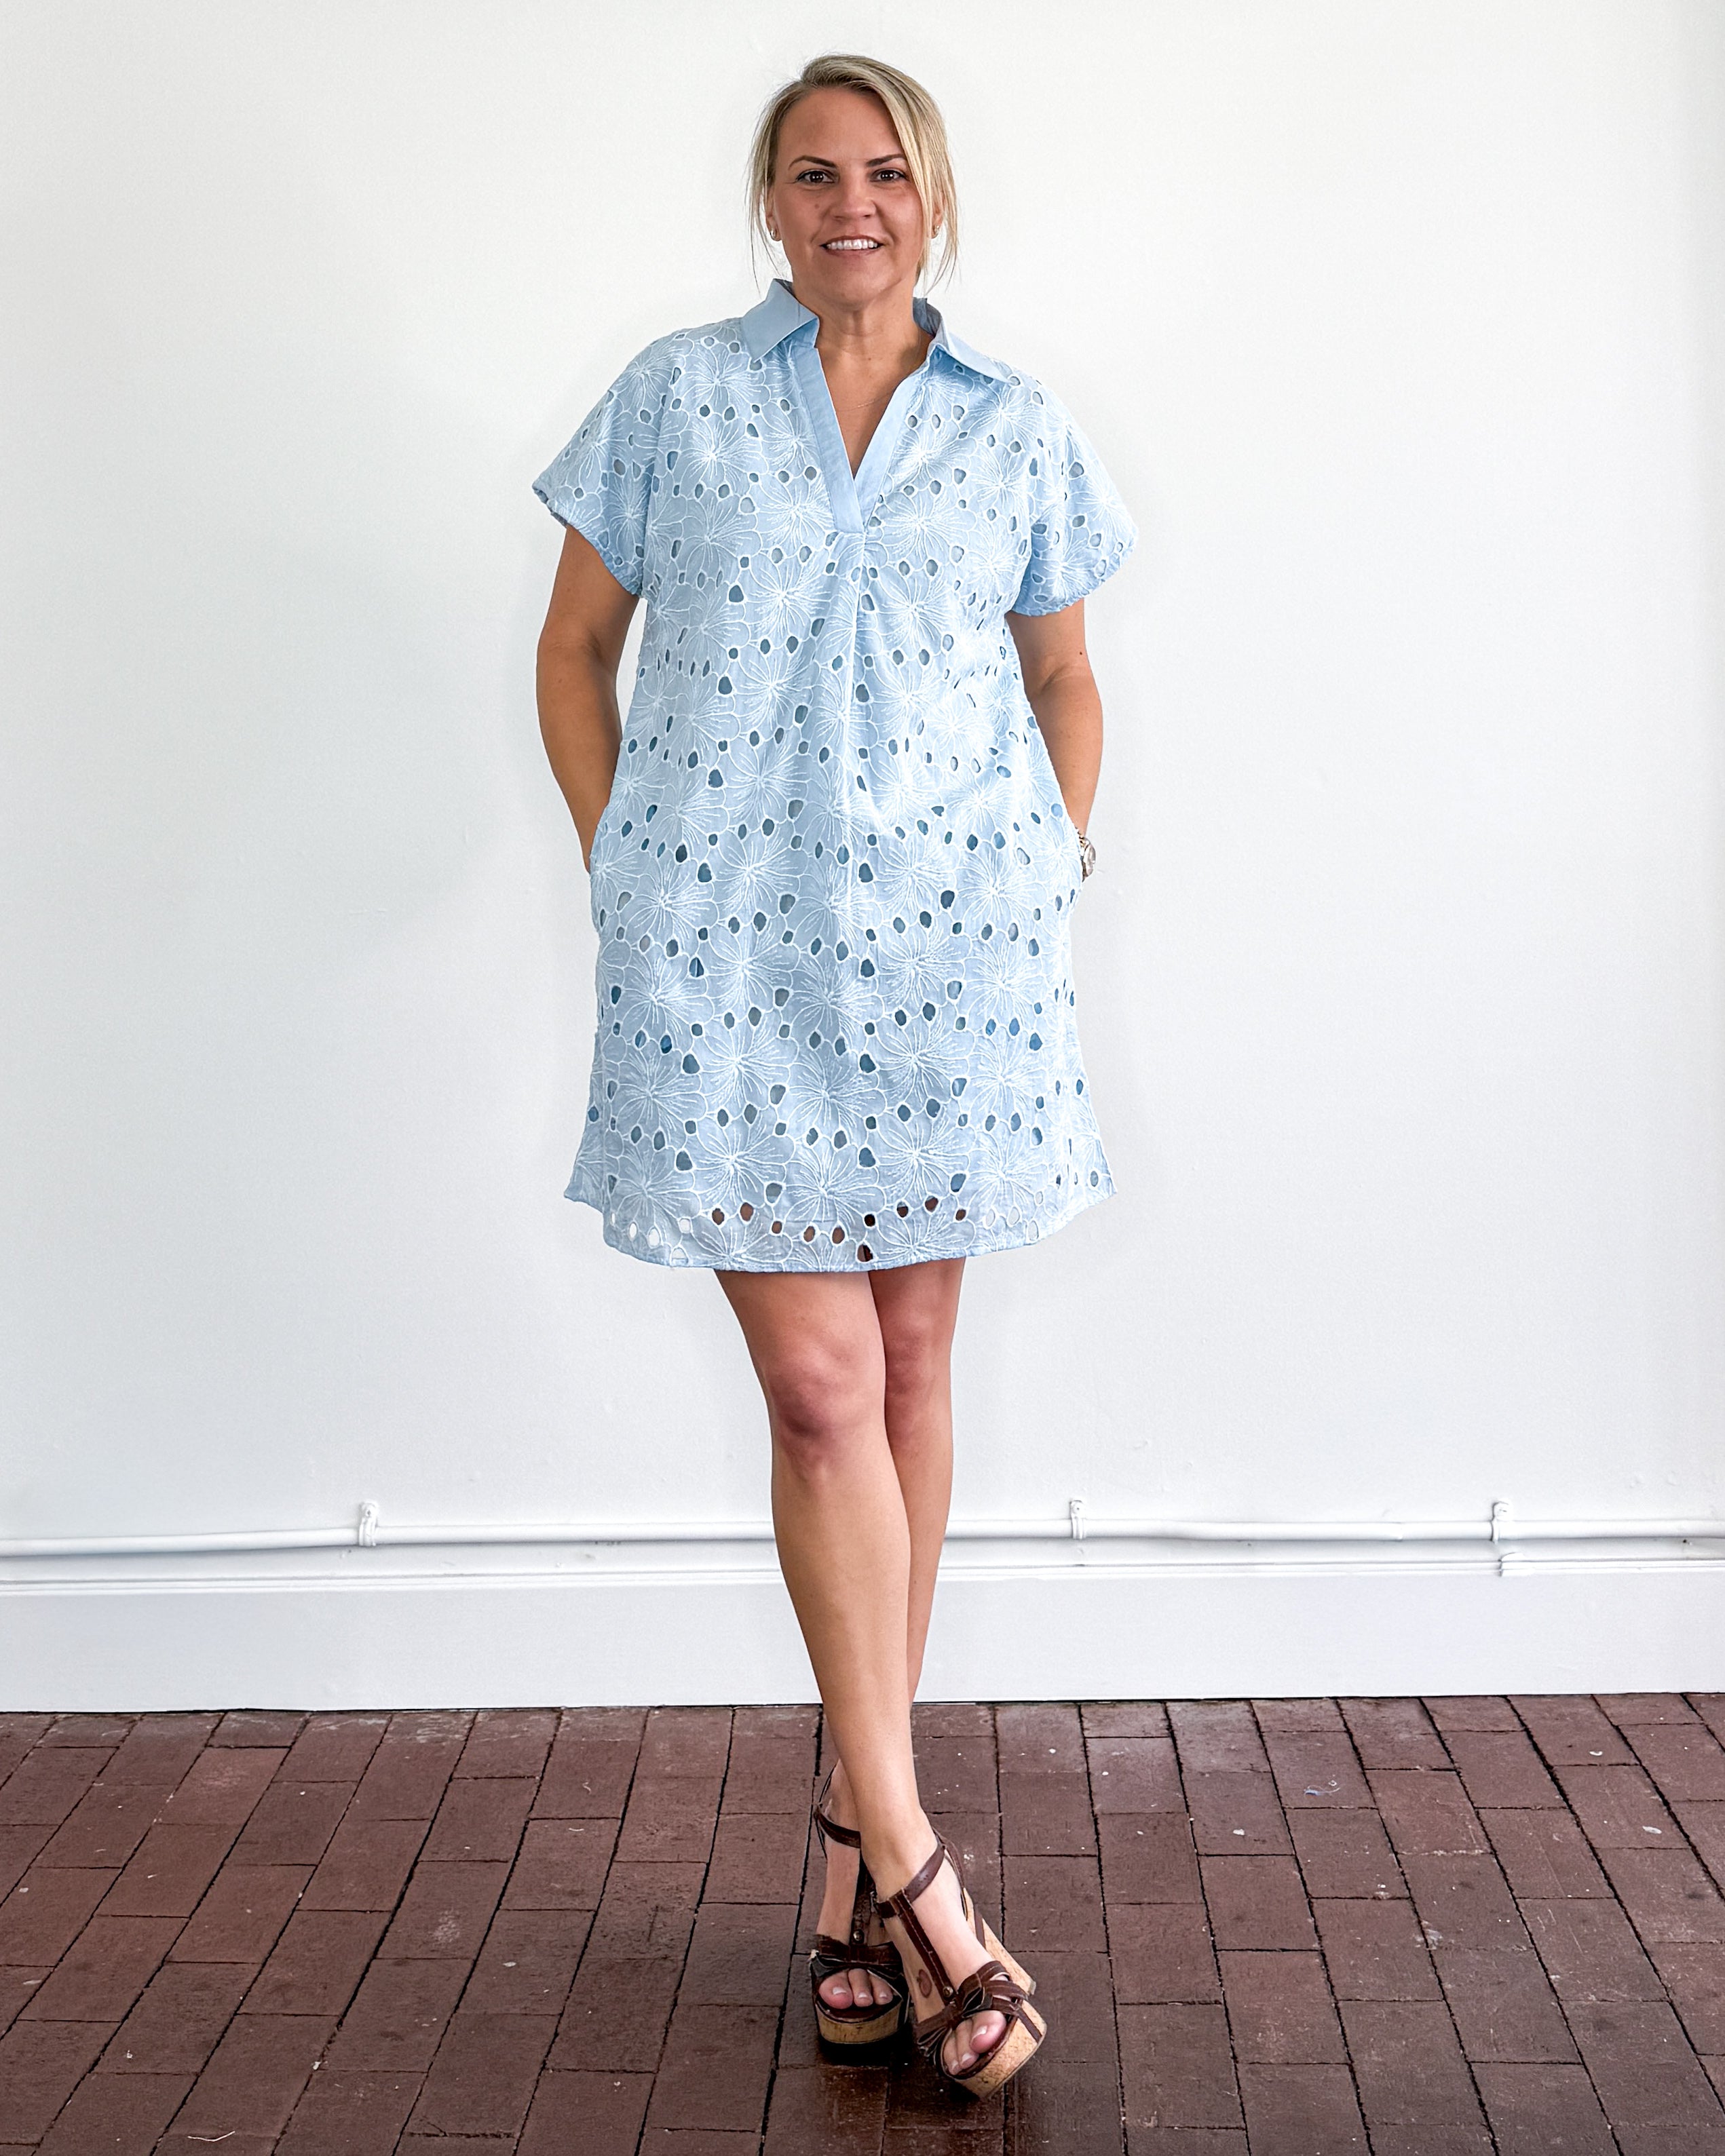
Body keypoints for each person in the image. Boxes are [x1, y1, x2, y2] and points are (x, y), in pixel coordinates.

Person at [533, 52, 1134, 2098]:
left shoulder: (1014, 427)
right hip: (727, 967)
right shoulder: (676, 401)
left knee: (915, 1370)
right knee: (819, 1392)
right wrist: (623, 857)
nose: (849, 203)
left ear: (932, 198)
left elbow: (1066, 672)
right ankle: (923, 1873)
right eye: (812, 174)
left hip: (953, 966)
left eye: (884, 171)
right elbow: (571, 649)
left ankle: (837, 1859)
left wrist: (1056, 849)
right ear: (770, 204)